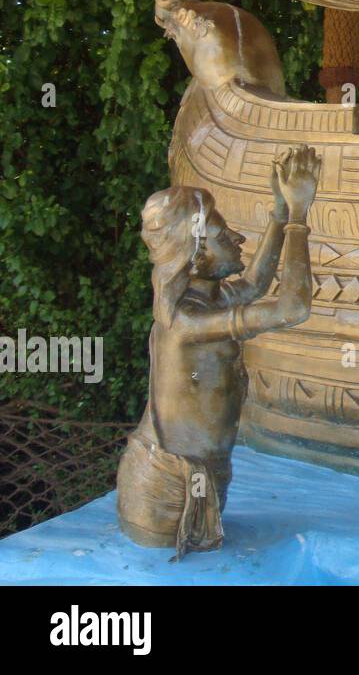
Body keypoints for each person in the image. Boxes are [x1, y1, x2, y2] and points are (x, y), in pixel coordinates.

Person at [116, 145, 321, 557]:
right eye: (223, 235)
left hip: (207, 477)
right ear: (195, 257)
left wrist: (280, 212)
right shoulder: (184, 323)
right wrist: (300, 215)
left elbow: (255, 286)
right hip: (163, 487)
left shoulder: (213, 299)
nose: (237, 237)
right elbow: (292, 307)